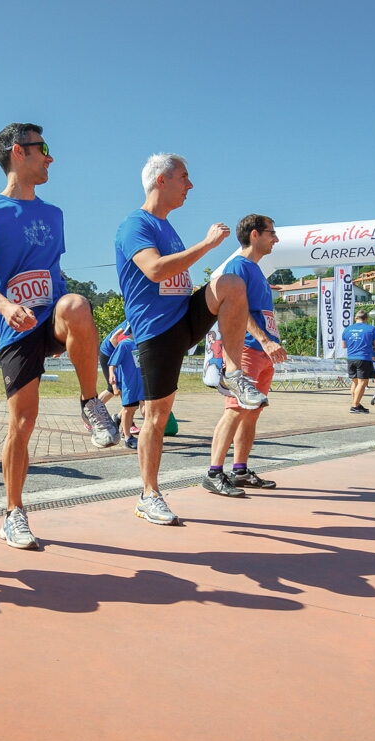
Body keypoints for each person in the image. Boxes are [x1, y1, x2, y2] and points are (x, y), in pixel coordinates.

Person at [0, 123, 120, 550]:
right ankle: (13, 513)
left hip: (51, 314)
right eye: (43, 148)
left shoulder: (54, 214)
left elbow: (53, 270)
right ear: (19, 152)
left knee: (76, 304)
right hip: (16, 324)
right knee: (23, 422)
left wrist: (73, 317)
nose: (50, 157)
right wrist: (4, 305)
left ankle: (91, 403)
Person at [115, 153, 266, 526]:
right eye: (184, 177)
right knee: (157, 416)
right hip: (156, 331)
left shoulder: (168, 227)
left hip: (183, 318)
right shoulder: (136, 224)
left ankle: (233, 372)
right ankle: (149, 495)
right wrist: (206, 245)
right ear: (161, 181)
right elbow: (154, 269)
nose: (191, 185)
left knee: (231, 284)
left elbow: (177, 277)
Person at [204, 215, 287, 497]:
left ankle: (239, 470)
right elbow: (237, 311)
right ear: (255, 234)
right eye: (271, 233)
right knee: (235, 409)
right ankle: (214, 473)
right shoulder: (238, 265)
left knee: (252, 413)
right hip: (248, 349)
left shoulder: (256, 272)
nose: (275, 238)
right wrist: (264, 341)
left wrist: (272, 341)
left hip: (263, 353)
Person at [341, 310, 375, 413]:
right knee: (362, 383)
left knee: (355, 382)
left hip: (351, 358)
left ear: (356, 318)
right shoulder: (371, 329)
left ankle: (356, 404)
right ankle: (355, 406)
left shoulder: (347, 329)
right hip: (363, 358)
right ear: (366, 319)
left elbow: (344, 345)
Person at [108, 335, 143, 449]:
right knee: (129, 409)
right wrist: (113, 377)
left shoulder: (144, 342)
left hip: (143, 381)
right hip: (129, 382)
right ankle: (127, 437)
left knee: (143, 409)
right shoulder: (125, 344)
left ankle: (120, 421)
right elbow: (113, 363)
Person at [97, 320, 131, 406]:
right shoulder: (131, 321)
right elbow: (114, 339)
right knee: (112, 388)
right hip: (108, 353)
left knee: (125, 386)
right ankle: (91, 411)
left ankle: (121, 416)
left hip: (116, 354)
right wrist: (122, 356)